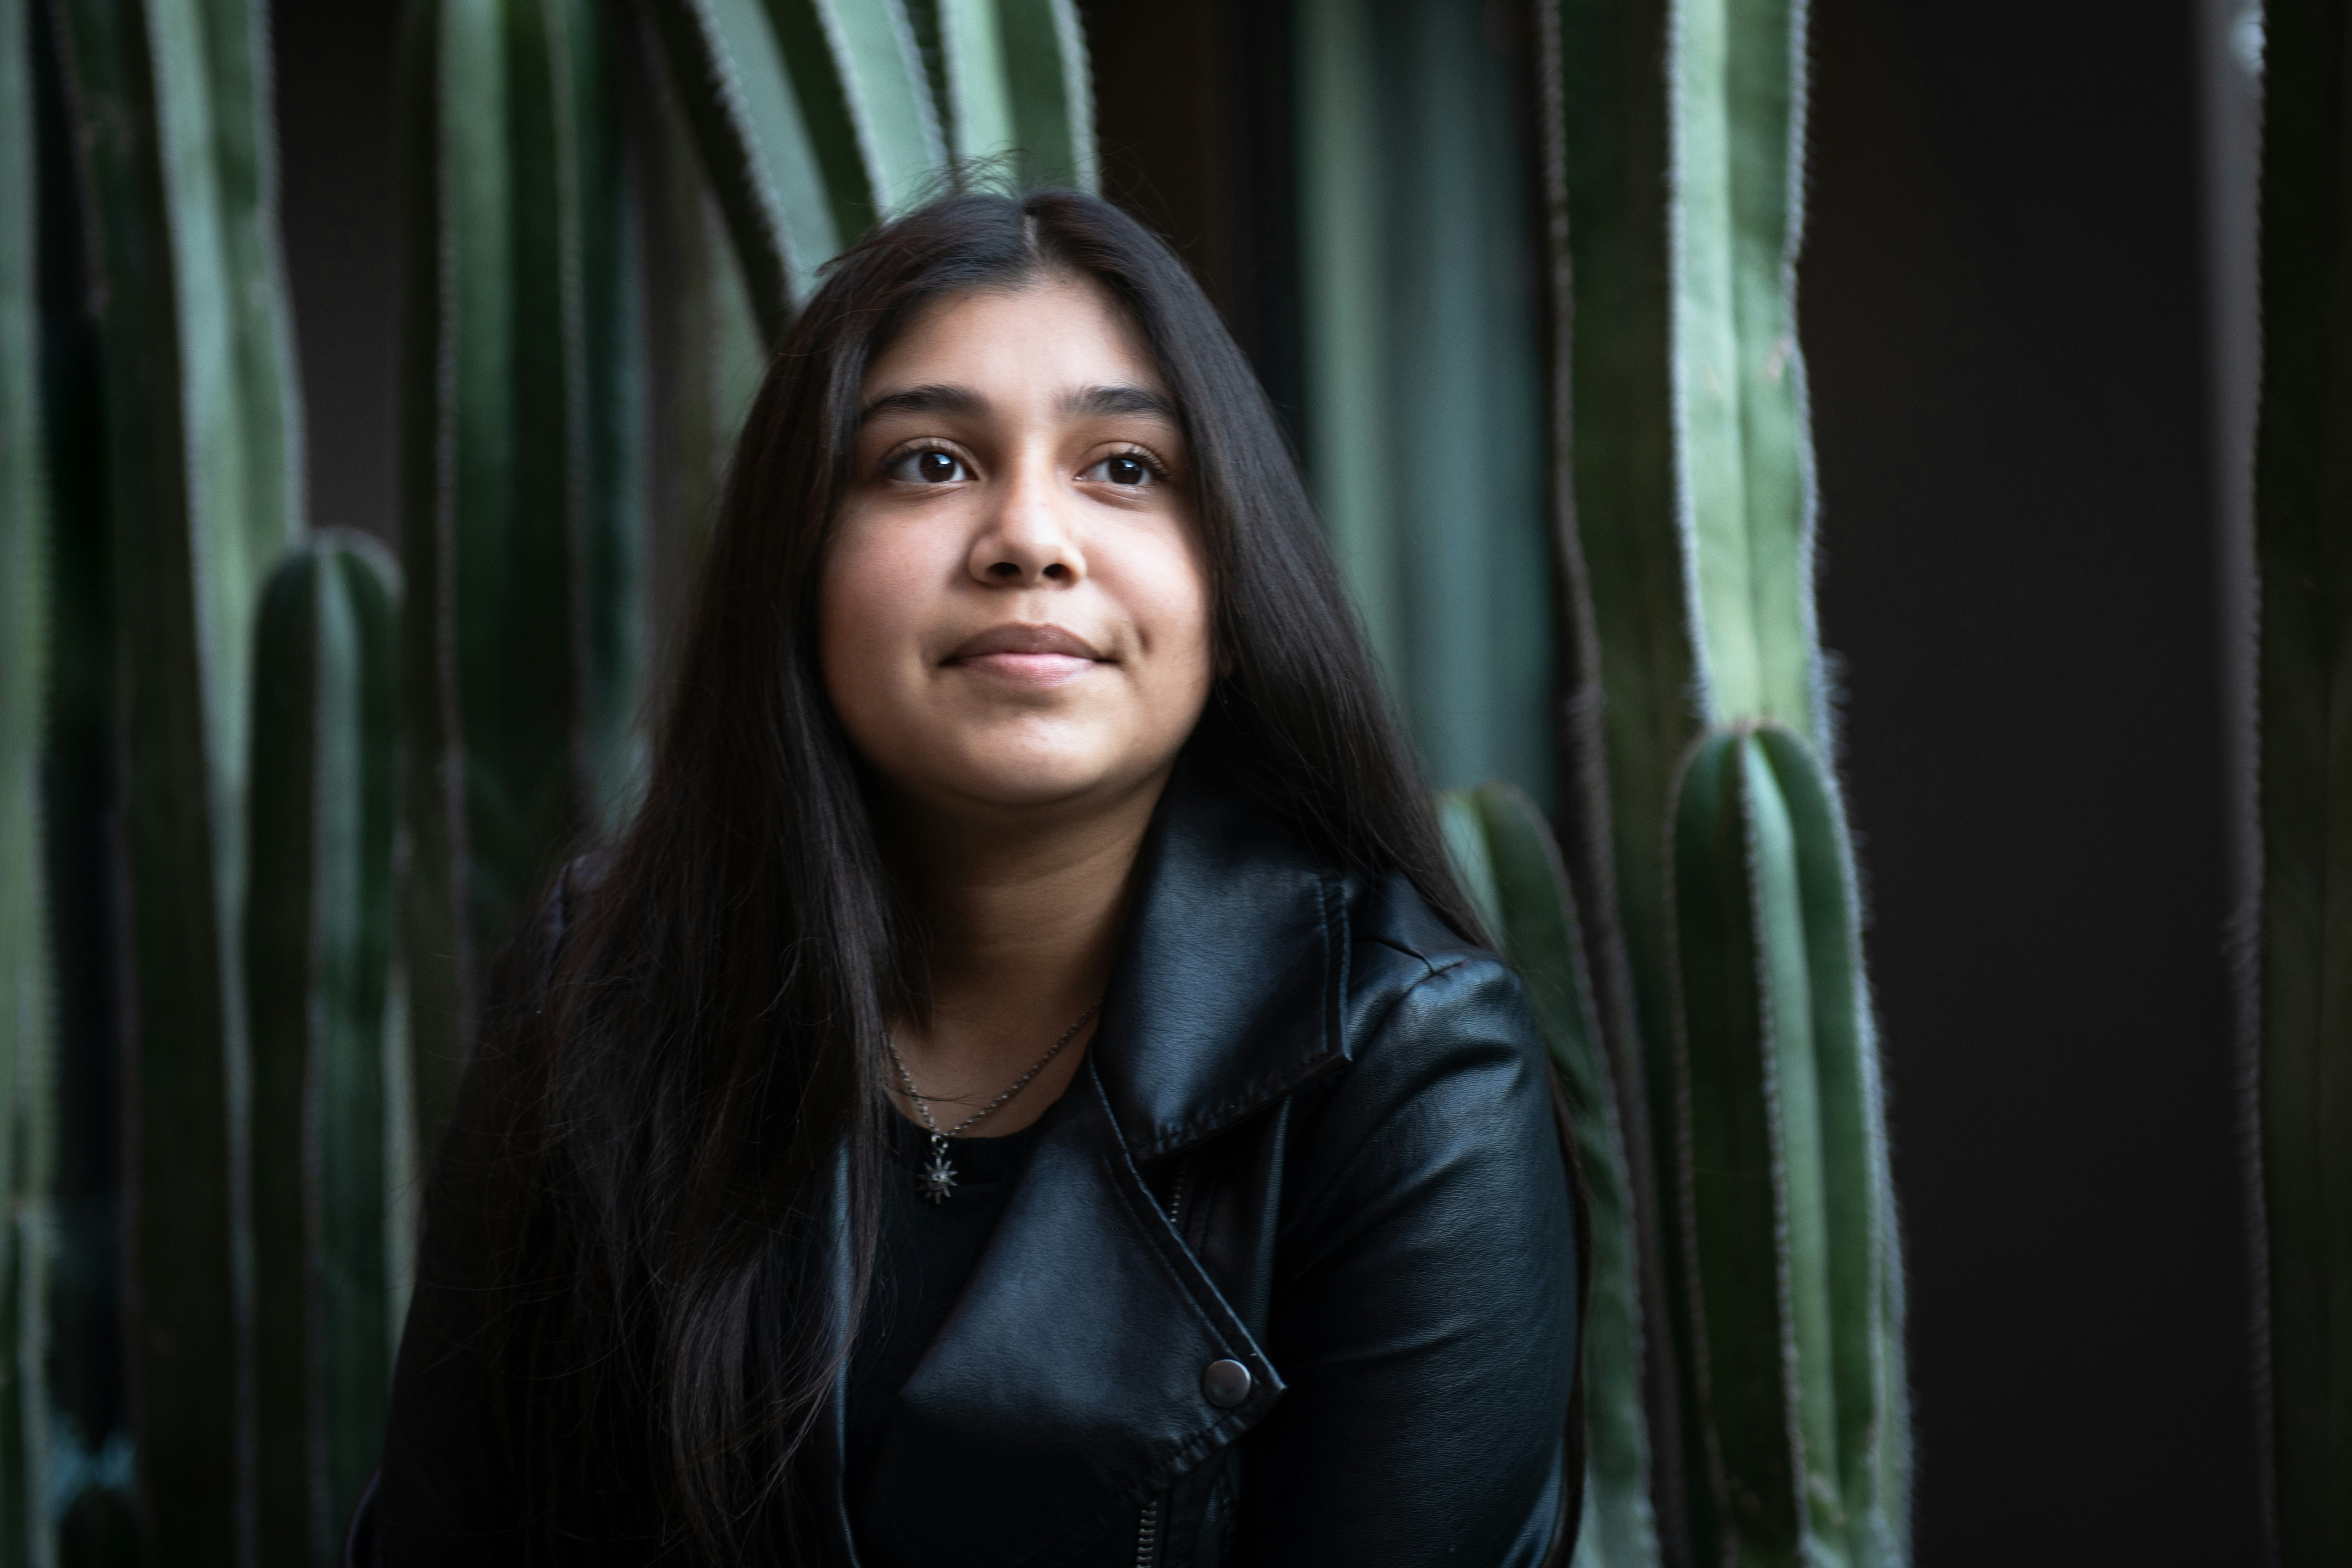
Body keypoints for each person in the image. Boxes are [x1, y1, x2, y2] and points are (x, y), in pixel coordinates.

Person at [375, 187, 1583, 1567]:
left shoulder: (1407, 1068)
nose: (1029, 536)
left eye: (1126, 466)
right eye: (930, 464)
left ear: (1235, 600)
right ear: (804, 572)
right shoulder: (601, 985)